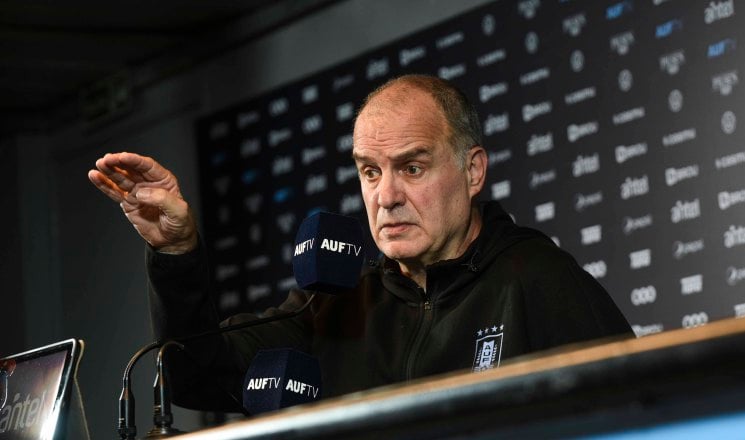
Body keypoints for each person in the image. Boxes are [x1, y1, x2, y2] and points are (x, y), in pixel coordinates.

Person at [89, 74, 632, 411]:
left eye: (412, 167)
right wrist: (176, 252)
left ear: (473, 171)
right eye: (370, 172)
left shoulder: (536, 279)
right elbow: (194, 376)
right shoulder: (336, 300)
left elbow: (640, 418)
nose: (386, 196)